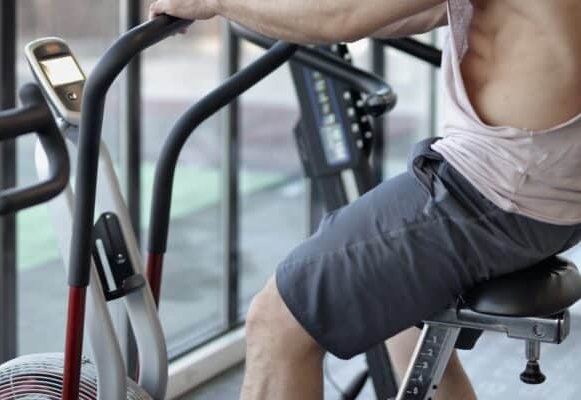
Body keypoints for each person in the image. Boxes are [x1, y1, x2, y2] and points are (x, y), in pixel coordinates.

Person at [150, 0, 581, 399]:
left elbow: (338, 17)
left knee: (278, 321)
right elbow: (416, 11)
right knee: (397, 315)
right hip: (551, 196)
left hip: (497, 196)